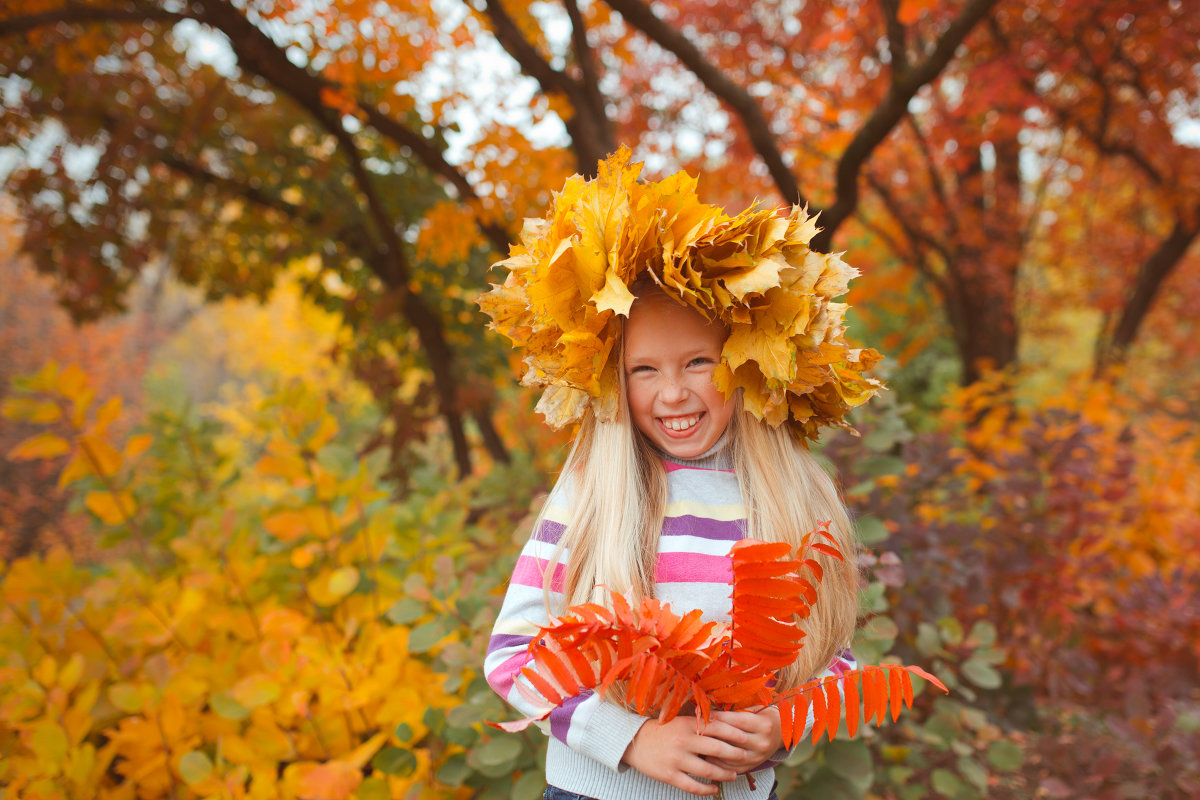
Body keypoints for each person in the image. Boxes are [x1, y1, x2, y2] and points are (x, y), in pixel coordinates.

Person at [479, 148, 882, 800]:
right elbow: (513, 655)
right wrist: (632, 739)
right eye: (645, 370)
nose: (672, 394)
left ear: (746, 359)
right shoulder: (594, 492)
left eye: (698, 362)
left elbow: (832, 657)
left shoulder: (790, 497)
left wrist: (784, 722)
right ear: (617, 379)